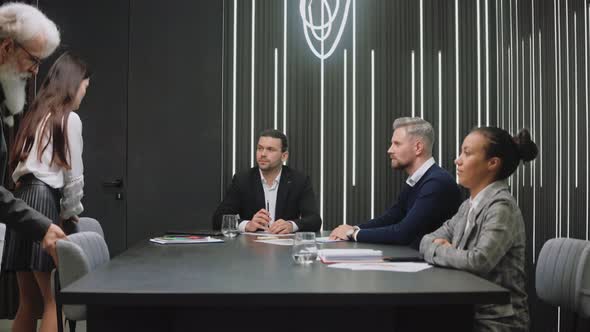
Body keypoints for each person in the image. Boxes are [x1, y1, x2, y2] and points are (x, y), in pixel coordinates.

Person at [420, 127, 536, 331]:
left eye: (467, 153)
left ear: (492, 163)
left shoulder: (502, 207)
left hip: (496, 322)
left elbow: (478, 261)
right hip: (467, 311)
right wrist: (447, 249)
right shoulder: (468, 206)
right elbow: (426, 240)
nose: (458, 160)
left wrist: (440, 250)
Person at [5, 52, 89, 332]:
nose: (83, 95)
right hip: (43, 203)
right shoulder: (70, 119)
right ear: (74, 84)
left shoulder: (35, 116)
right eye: (84, 87)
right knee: (54, 299)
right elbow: (73, 180)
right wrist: (70, 214)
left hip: (20, 206)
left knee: (28, 302)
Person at [330, 117, 462, 249]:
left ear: (418, 148)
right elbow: (392, 217)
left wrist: (353, 234)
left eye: (397, 144)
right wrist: (354, 229)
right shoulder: (416, 180)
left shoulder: (436, 182)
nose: (390, 150)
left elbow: (403, 233)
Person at [213, 129, 321, 234]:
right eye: (260, 148)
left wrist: (291, 225)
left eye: (270, 149)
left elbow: (314, 220)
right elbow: (218, 219)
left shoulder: (299, 180)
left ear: (284, 156)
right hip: (251, 248)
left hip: (285, 248)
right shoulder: (243, 179)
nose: (263, 154)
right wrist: (247, 225)